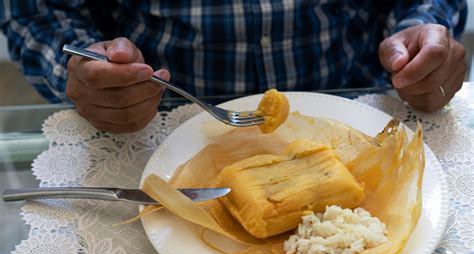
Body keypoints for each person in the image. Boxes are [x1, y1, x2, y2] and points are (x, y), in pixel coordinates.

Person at [0, 1, 467, 133]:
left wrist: (422, 28)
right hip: (160, 124)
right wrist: (87, 66)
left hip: (356, 108)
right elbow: (36, 14)